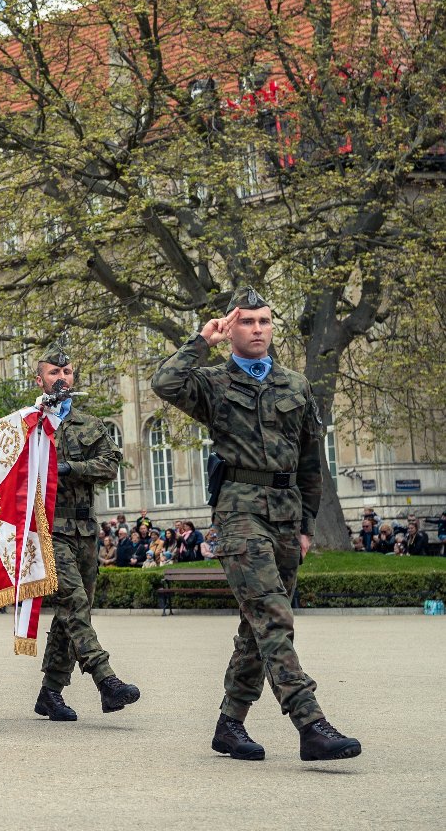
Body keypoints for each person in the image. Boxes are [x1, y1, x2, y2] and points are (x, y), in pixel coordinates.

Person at [150, 290, 361, 762]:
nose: (259, 329)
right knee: (273, 616)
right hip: (239, 512)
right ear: (232, 329)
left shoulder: (295, 385)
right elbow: (164, 383)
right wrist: (201, 341)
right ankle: (310, 723)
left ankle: (230, 724)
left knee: (257, 625)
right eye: (247, 322)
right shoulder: (212, 382)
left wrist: (307, 523)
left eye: (265, 321)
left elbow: (311, 460)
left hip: (286, 515)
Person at [32, 346, 140, 723]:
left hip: (85, 530)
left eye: (67, 372)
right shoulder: (26, 425)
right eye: (53, 372)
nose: (61, 378)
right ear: (39, 379)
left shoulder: (89, 425)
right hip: (46, 530)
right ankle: (105, 679)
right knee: (74, 601)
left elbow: (110, 465)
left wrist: (70, 467)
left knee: (72, 611)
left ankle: (50, 692)